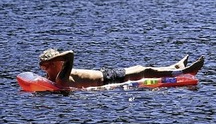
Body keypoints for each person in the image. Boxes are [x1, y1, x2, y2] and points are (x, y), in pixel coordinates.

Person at [38, 49, 205, 88]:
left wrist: (50, 61)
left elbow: (68, 56)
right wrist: (50, 60)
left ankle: (175, 67)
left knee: (142, 68)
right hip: (109, 79)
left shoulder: (58, 76)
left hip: (107, 73)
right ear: (53, 64)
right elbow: (70, 55)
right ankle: (184, 71)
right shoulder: (60, 79)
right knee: (143, 70)